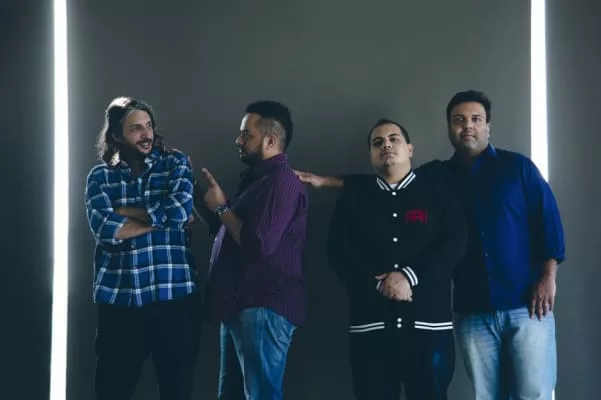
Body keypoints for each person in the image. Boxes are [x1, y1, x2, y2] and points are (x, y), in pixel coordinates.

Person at [296, 90, 566, 400]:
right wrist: (329, 182)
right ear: (450, 127)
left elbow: (548, 221)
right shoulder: (437, 176)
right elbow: (389, 180)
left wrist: (548, 277)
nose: (467, 125)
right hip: (473, 308)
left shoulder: (518, 168)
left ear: (488, 126)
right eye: (459, 120)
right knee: (486, 395)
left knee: (534, 393)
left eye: (476, 119)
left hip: (526, 303)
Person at [323, 118, 466, 399]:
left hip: (429, 328)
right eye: (378, 142)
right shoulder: (353, 200)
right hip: (371, 330)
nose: (386, 145)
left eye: (394, 139)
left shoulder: (439, 193)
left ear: (410, 149)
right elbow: (338, 252)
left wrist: (410, 276)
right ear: (371, 155)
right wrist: (378, 283)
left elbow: (455, 243)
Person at [85, 96, 201, 400]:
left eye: (148, 125)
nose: (146, 134)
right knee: (111, 393)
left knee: (177, 392)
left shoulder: (175, 163)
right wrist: (163, 219)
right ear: (116, 135)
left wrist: (124, 212)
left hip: (173, 300)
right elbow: (106, 230)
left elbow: (180, 210)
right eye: (136, 128)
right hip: (119, 303)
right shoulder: (100, 177)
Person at [198, 100, 308, 400]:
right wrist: (204, 201)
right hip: (242, 305)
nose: (238, 140)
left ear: (270, 141)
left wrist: (222, 208)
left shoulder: (281, 182)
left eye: (246, 134)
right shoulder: (258, 180)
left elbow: (259, 245)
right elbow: (231, 231)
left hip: (264, 306)